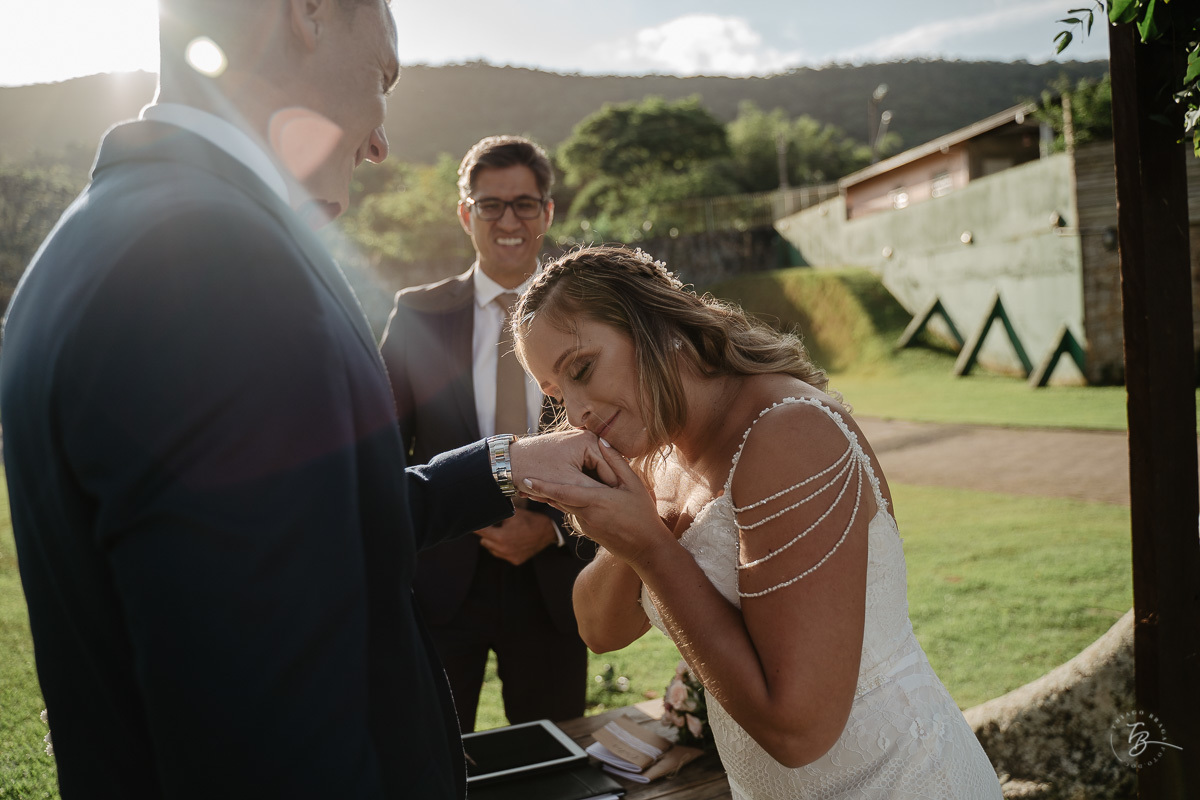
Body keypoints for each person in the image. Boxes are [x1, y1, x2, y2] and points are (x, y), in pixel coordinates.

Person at [0, 3, 611, 799]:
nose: (379, 142)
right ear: (309, 14)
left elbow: (317, 518)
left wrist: (505, 462)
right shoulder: (217, 264)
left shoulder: (95, 236)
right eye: (382, 78)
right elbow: (272, 734)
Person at [514, 245, 1004, 799]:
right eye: (556, 394)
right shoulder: (660, 455)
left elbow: (800, 729)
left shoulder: (791, 435)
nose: (576, 412)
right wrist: (627, 532)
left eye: (581, 369)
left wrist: (650, 547)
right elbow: (599, 630)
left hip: (899, 781)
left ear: (656, 325)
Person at [379, 135, 593, 732]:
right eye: (491, 205)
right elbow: (382, 451)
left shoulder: (587, 317)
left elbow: (621, 443)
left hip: (554, 581)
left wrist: (552, 529)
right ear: (465, 213)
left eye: (524, 204)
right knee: (435, 752)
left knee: (554, 754)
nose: (508, 221)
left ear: (547, 212)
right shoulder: (416, 314)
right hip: (444, 580)